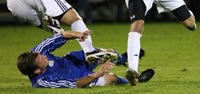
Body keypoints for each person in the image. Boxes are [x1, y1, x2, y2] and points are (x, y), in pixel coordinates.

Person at [17, 30, 154, 88]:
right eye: (40, 59)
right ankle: (135, 82)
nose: (43, 55)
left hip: (73, 60)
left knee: (107, 53)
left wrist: (79, 35)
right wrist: (98, 74)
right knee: (111, 77)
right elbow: (74, 85)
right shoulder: (43, 81)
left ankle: (122, 58)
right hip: (81, 77)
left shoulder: (37, 51)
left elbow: (61, 36)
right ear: (36, 71)